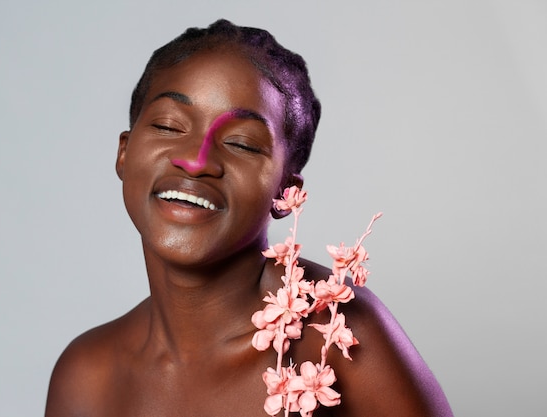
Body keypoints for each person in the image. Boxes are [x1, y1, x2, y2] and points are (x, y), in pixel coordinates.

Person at [44, 19, 453, 417]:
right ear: (124, 153)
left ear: (285, 191)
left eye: (242, 144)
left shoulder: (338, 332)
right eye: (169, 126)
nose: (196, 160)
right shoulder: (86, 374)